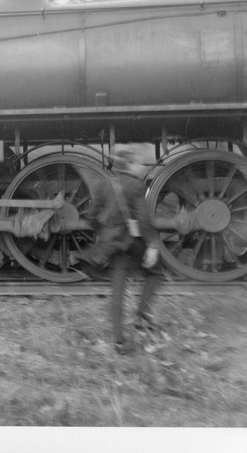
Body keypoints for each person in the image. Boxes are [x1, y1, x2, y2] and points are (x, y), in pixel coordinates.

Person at [82, 148, 163, 355]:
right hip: (132, 243)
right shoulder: (136, 186)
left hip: (112, 245)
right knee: (155, 273)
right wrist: (152, 246)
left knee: (117, 290)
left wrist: (104, 231)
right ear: (129, 165)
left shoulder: (103, 185)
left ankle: (119, 342)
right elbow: (144, 220)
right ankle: (142, 315)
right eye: (138, 162)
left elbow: (91, 216)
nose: (141, 166)